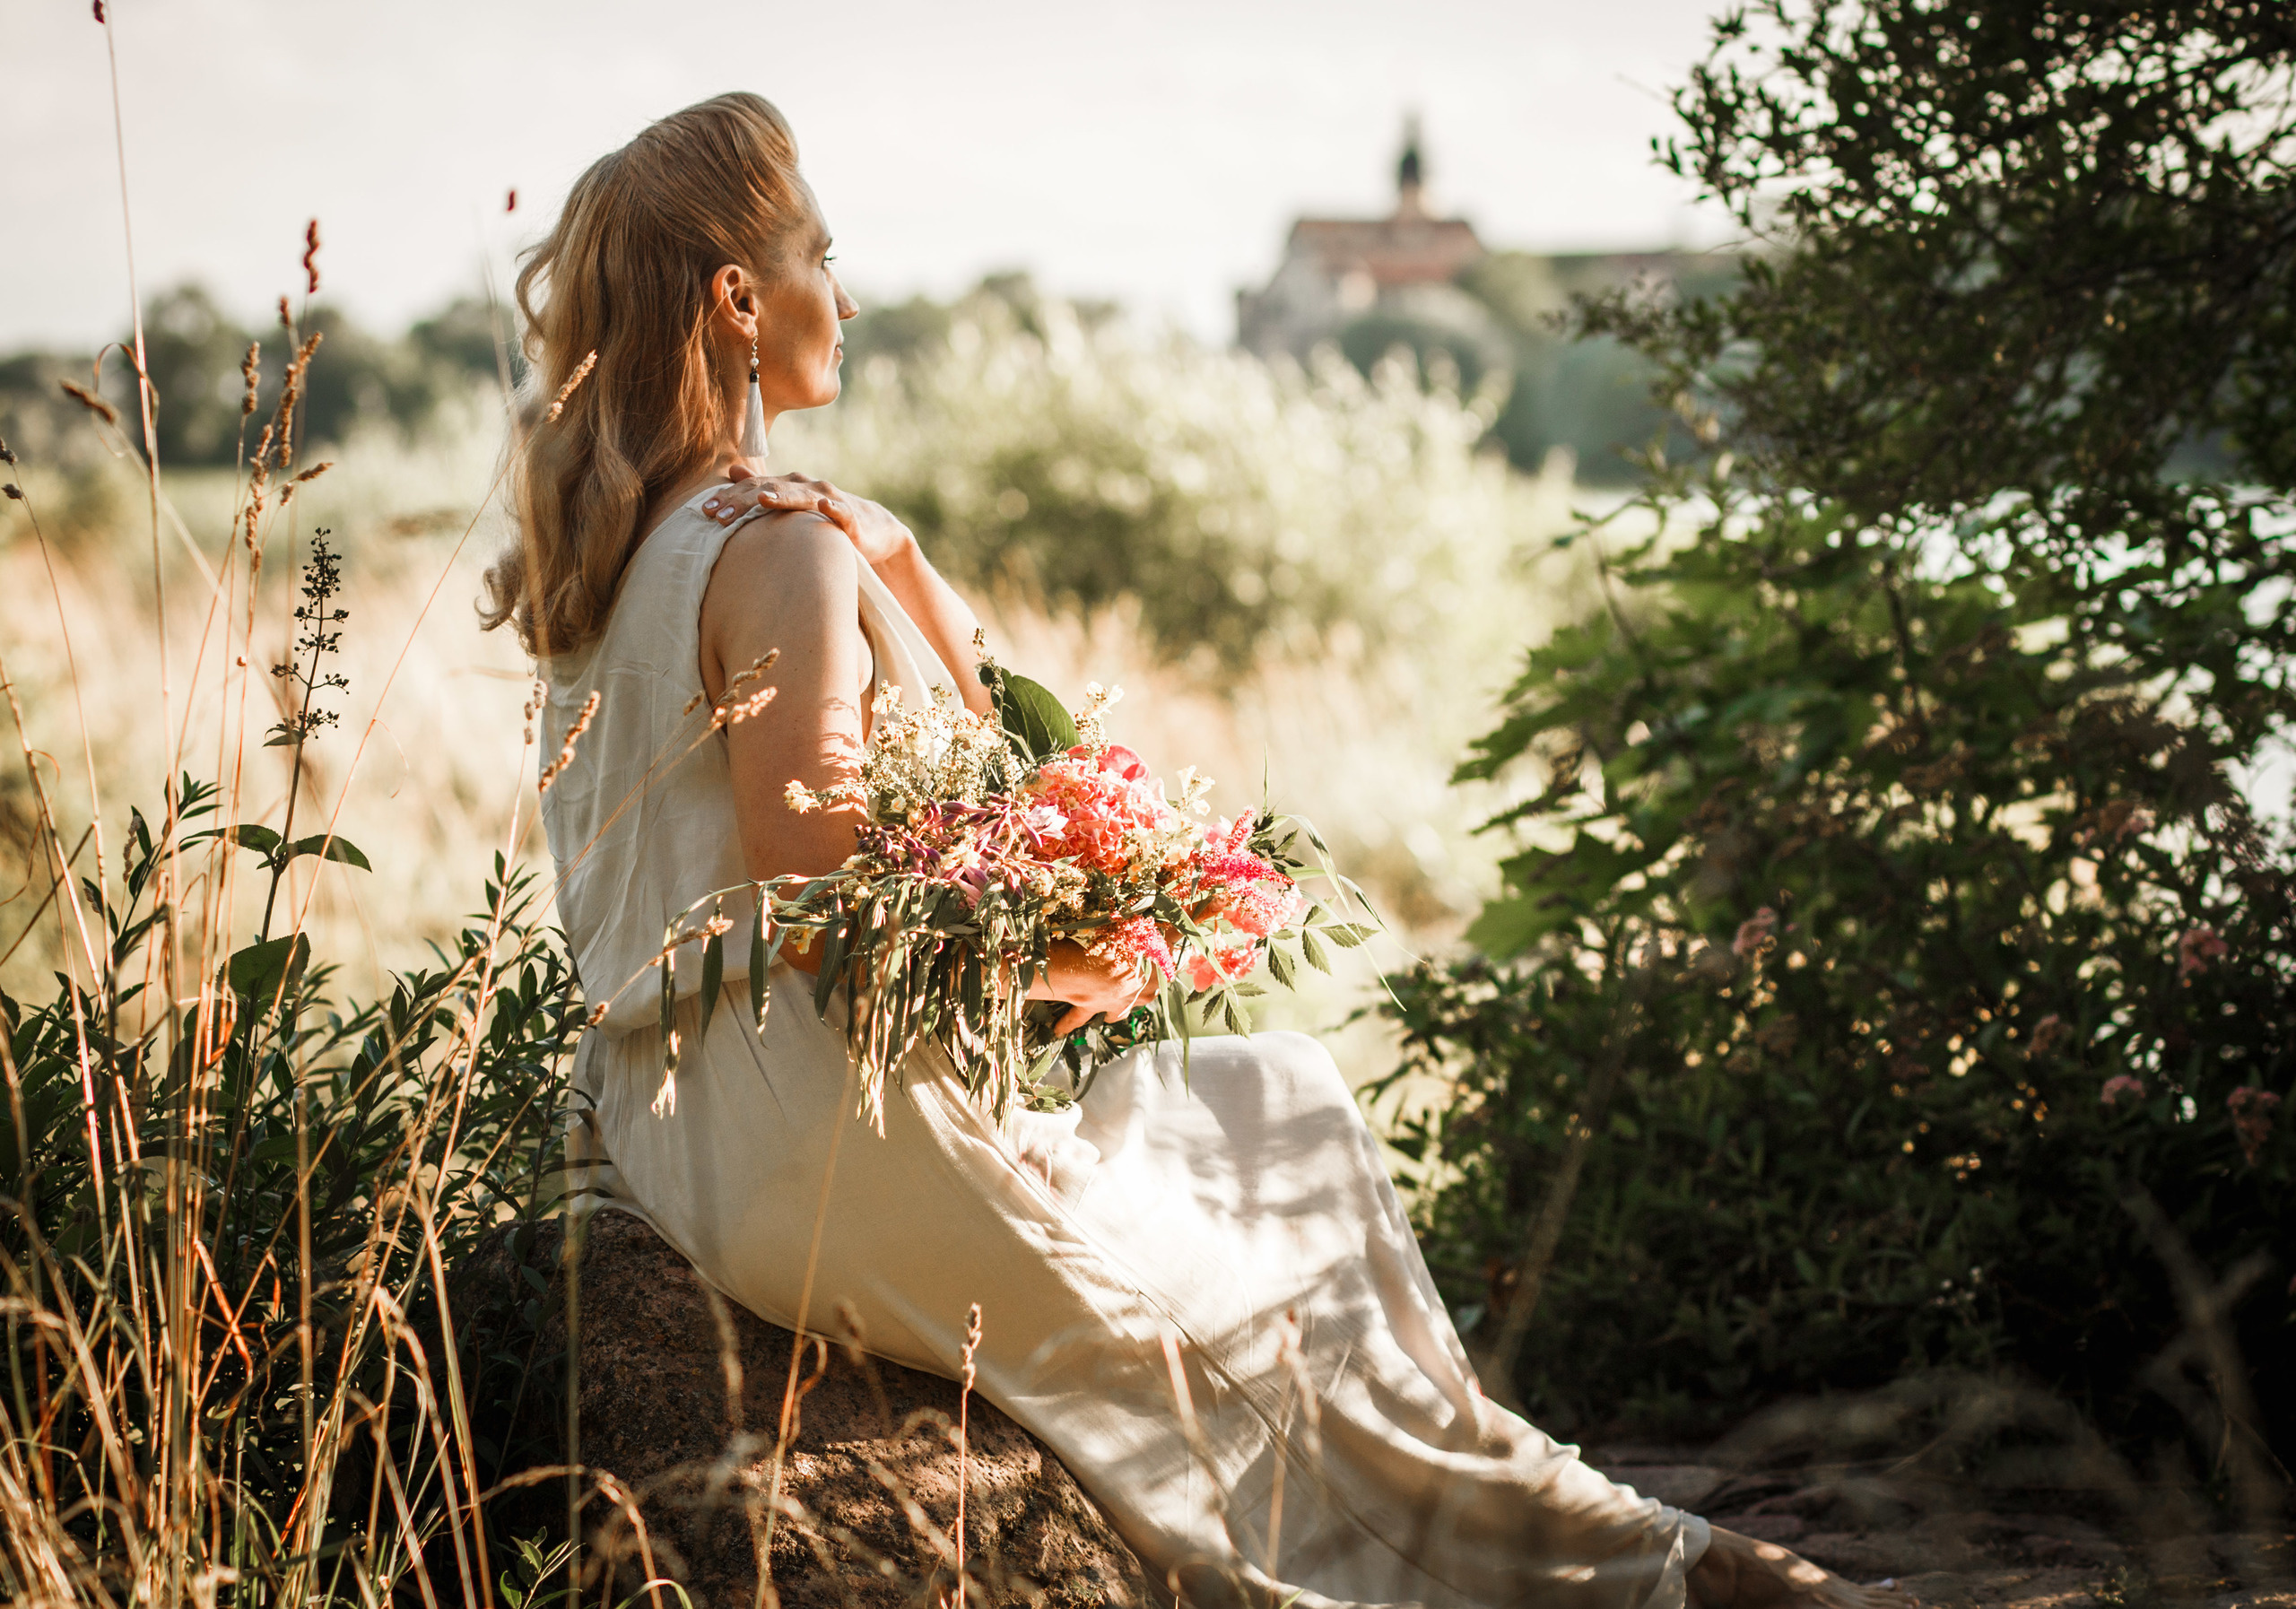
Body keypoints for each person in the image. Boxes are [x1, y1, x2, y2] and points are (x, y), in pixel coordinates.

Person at [491, 91, 1908, 1609]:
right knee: (1268, 1267)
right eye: (825, 253)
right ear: (737, 300)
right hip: (817, 1143)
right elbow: (833, 899)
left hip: (665, 1131)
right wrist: (1070, 951)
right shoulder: (777, 548)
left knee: (1266, 1103)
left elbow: (892, 798)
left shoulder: (629, 553)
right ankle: (1655, 1571)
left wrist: (893, 551)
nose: (853, 290)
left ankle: (1632, 1550)